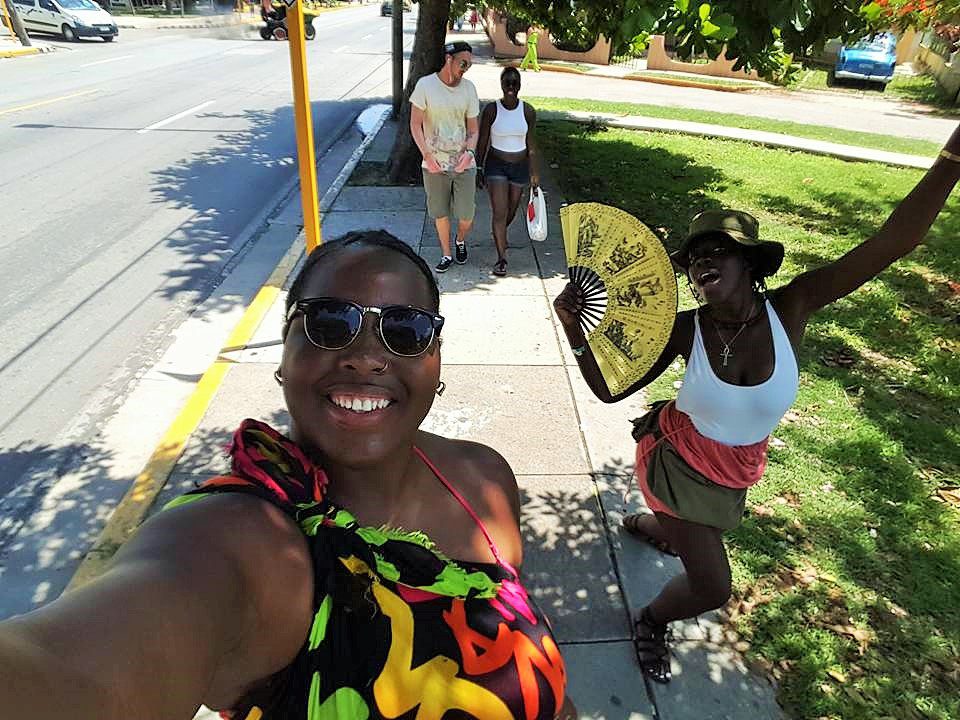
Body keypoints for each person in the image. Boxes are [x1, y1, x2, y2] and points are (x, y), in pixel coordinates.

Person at [0, 230, 577, 720]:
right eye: (331, 323)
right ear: (283, 356)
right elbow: (71, 668)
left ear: (436, 361)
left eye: (405, 330)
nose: (367, 356)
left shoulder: (483, 480)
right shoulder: (234, 542)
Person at [553, 125, 960, 684]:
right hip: (679, 463)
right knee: (712, 586)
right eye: (694, 258)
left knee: (688, 534)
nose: (701, 264)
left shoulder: (793, 307)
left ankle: (655, 528)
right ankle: (650, 618)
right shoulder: (684, 329)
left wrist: (951, 160)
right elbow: (609, 390)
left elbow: (892, 243)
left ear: (750, 265)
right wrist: (575, 331)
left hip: (739, 465)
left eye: (717, 251)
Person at [410, 41, 480, 274]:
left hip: (464, 164)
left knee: (466, 214)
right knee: (440, 212)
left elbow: (473, 128)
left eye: (469, 64)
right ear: (449, 59)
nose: (466, 68)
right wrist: (427, 156)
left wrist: (469, 153)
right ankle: (446, 253)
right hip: (434, 164)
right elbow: (415, 124)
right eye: (463, 63)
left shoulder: (469, 88)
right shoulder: (425, 86)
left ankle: (460, 240)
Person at [477, 66, 540, 276]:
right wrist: (479, 167)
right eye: (507, 83)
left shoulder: (528, 111)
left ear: (520, 86)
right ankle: (501, 258)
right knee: (500, 212)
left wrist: (534, 172)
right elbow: (483, 141)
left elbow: (531, 144)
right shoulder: (491, 110)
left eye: (515, 83)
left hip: (520, 167)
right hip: (497, 166)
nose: (511, 87)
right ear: (502, 85)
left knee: (511, 212)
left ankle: (499, 233)